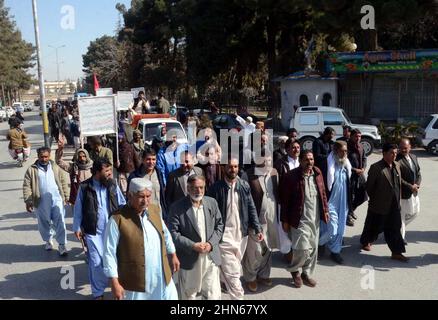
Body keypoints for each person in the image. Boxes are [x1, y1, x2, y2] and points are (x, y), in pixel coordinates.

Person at [103, 178, 179, 300]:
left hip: (160, 274)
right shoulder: (117, 219)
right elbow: (109, 253)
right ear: (130, 195)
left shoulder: (154, 210)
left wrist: (172, 253)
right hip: (134, 282)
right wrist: (114, 281)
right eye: (141, 197)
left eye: (148, 196)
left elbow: (165, 233)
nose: (145, 201)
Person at [207, 156, 263, 300]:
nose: (233, 170)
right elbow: (209, 214)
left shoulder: (244, 185)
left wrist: (257, 228)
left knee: (234, 269)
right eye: (230, 167)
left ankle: (221, 281)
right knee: (234, 276)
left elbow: (251, 207)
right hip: (223, 237)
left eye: (236, 167)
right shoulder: (215, 188)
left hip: (241, 235)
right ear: (224, 167)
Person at [73, 158, 126, 299]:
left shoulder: (113, 185)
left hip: (113, 231)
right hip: (93, 232)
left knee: (114, 260)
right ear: (97, 172)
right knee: (96, 262)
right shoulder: (85, 187)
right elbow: (78, 208)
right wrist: (77, 227)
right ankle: (98, 293)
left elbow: (122, 204)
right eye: (107, 171)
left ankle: (117, 289)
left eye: (110, 170)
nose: (110, 173)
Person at [168, 175, 224, 300]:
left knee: (213, 295)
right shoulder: (177, 208)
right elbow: (173, 233)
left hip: (210, 258)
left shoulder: (212, 203)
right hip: (190, 259)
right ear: (188, 188)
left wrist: (210, 244)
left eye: (201, 187)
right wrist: (193, 245)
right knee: (189, 296)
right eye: (194, 188)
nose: (198, 191)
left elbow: (219, 226)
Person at [280, 150, 329, 288]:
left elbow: (323, 192)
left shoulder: (317, 173)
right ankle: (295, 270)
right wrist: (285, 220)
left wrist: (326, 209)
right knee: (302, 249)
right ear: (300, 161)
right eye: (307, 160)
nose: (310, 162)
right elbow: (285, 201)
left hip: (315, 217)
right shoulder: (291, 176)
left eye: (312, 159)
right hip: (299, 219)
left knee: (313, 248)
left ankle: (306, 273)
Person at [360, 143, 408, 262]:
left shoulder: (397, 165)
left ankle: (396, 252)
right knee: (373, 225)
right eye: (392, 153)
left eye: (396, 153)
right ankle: (366, 241)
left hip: (395, 204)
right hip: (379, 204)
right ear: (384, 153)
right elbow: (369, 187)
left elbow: (399, 183)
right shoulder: (376, 167)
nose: (394, 155)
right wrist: (376, 200)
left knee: (395, 228)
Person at [241, 151, 279, 293]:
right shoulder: (248, 175)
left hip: (272, 218)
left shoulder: (274, 173)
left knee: (268, 249)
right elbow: (243, 201)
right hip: (255, 220)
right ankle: (250, 278)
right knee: (255, 251)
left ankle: (263, 275)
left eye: (269, 159)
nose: (267, 162)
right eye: (264, 159)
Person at [23, 147, 70, 256]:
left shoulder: (55, 167)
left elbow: (63, 181)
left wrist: (66, 196)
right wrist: (28, 201)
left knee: (60, 221)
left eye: (46, 156)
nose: (44, 159)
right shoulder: (32, 170)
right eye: (42, 157)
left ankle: (62, 245)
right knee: (44, 222)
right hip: (40, 201)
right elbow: (27, 186)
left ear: (49, 156)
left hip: (56, 199)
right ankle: (48, 240)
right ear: (38, 156)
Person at [318, 141, 351, 264]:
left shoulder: (346, 165)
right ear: (336, 150)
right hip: (330, 201)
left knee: (341, 228)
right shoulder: (326, 164)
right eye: (342, 150)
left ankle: (335, 251)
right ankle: (320, 242)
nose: (345, 153)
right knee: (333, 228)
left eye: (346, 151)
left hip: (343, 202)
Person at [128, 149, 168, 220]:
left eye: (153, 159)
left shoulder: (158, 173)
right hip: (143, 215)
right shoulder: (135, 176)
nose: (151, 162)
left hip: (158, 213)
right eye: (148, 159)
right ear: (142, 160)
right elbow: (129, 197)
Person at [396, 138, 421, 243]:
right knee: (402, 216)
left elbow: (418, 172)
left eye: (405, 148)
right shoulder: (397, 160)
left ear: (410, 147)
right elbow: (398, 178)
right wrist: (410, 186)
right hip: (403, 193)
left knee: (415, 212)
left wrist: (417, 184)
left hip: (414, 191)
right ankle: (400, 238)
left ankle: (394, 227)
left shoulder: (414, 157)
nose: (403, 150)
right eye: (401, 148)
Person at [55, 140, 93, 205]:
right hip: (77, 196)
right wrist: (60, 150)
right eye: (80, 157)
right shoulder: (73, 167)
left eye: (84, 156)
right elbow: (58, 161)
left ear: (87, 156)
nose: (82, 158)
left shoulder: (92, 167)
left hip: (91, 196)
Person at [346, 129, 368, 227]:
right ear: (351, 136)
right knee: (350, 196)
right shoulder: (347, 147)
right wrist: (354, 170)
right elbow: (344, 162)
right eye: (356, 136)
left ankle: (351, 210)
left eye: (359, 136)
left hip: (360, 174)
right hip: (350, 175)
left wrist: (363, 168)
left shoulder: (361, 146)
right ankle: (348, 216)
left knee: (363, 196)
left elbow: (364, 158)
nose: (358, 138)